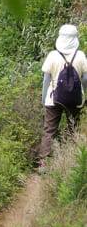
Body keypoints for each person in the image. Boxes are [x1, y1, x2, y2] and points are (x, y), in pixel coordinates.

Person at [39, 24, 87, 163]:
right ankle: (74, 160)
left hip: (52, 100)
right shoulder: (80, 56)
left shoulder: (53, 55)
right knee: (74, 128)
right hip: (75, 99)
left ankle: (44, 164)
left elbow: (46, 80)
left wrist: (43, 100)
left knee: (49, 131)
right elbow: (85, 79)